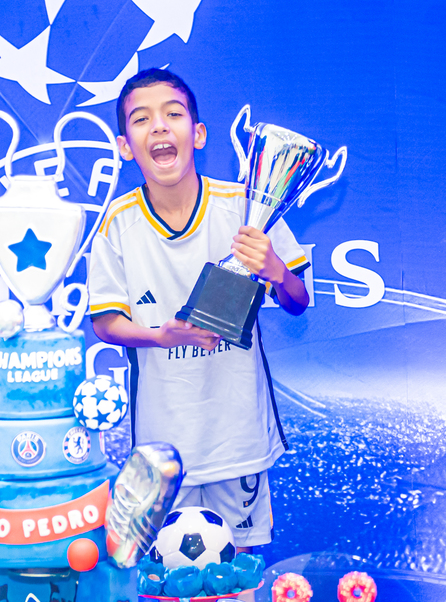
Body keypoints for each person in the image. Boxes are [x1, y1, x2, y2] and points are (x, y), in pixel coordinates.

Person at [87, 69, 310, 549]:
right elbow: (105, 322)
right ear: (125, 146)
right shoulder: (117, 224)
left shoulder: (246, 207)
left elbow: (298, 300)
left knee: (239, 572)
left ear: (199, 133)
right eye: (141, 119)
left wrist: (275, 269)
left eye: (173, 114)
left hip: (238, 439)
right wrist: (159, 336)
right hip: (164, 451)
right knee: (169, 574)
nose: (159, 126)